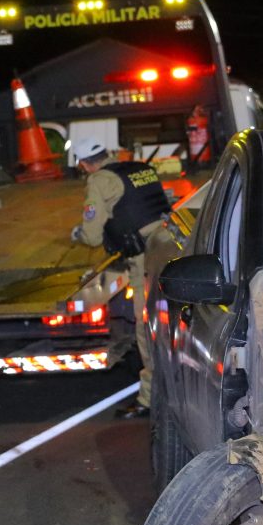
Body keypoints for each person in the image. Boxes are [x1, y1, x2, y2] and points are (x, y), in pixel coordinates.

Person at [70, 137, 170, 419]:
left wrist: (79, 233)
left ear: (83, 163)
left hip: (143, 260)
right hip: (170, 247)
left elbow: (92, 235)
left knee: (146, 327)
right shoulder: (141, 168)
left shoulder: (99, 180)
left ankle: (150, 400)